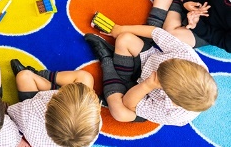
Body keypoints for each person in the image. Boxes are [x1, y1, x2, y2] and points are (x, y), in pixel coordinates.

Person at [85, 24, 218, 126]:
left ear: (168, 93)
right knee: (125, 38)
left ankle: (107, 61)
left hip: (141, 98)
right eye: (169, 61)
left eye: (159, 73)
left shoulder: (171, 113)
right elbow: (156, 33)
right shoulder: (188, 56)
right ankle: (116, 81)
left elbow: (128, 103)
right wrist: (121, 29)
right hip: (147, 60)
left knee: (120, 113)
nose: (165, 61)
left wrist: (146, 85)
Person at [7, 59, 101, 147]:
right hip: (51, 103)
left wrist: (17, 140)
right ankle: (46, 79)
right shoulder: (92, 126)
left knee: (23, 76)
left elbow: (10, 116)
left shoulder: (30, 111)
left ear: (50, 103)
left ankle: (43, 77)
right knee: (85, 78)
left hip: (37, 102)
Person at [145, 0, 231, 52]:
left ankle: (175, 0)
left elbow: (222, 40)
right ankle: (153, 25)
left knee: (169, 38)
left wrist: (198, 25)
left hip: (208, 29)